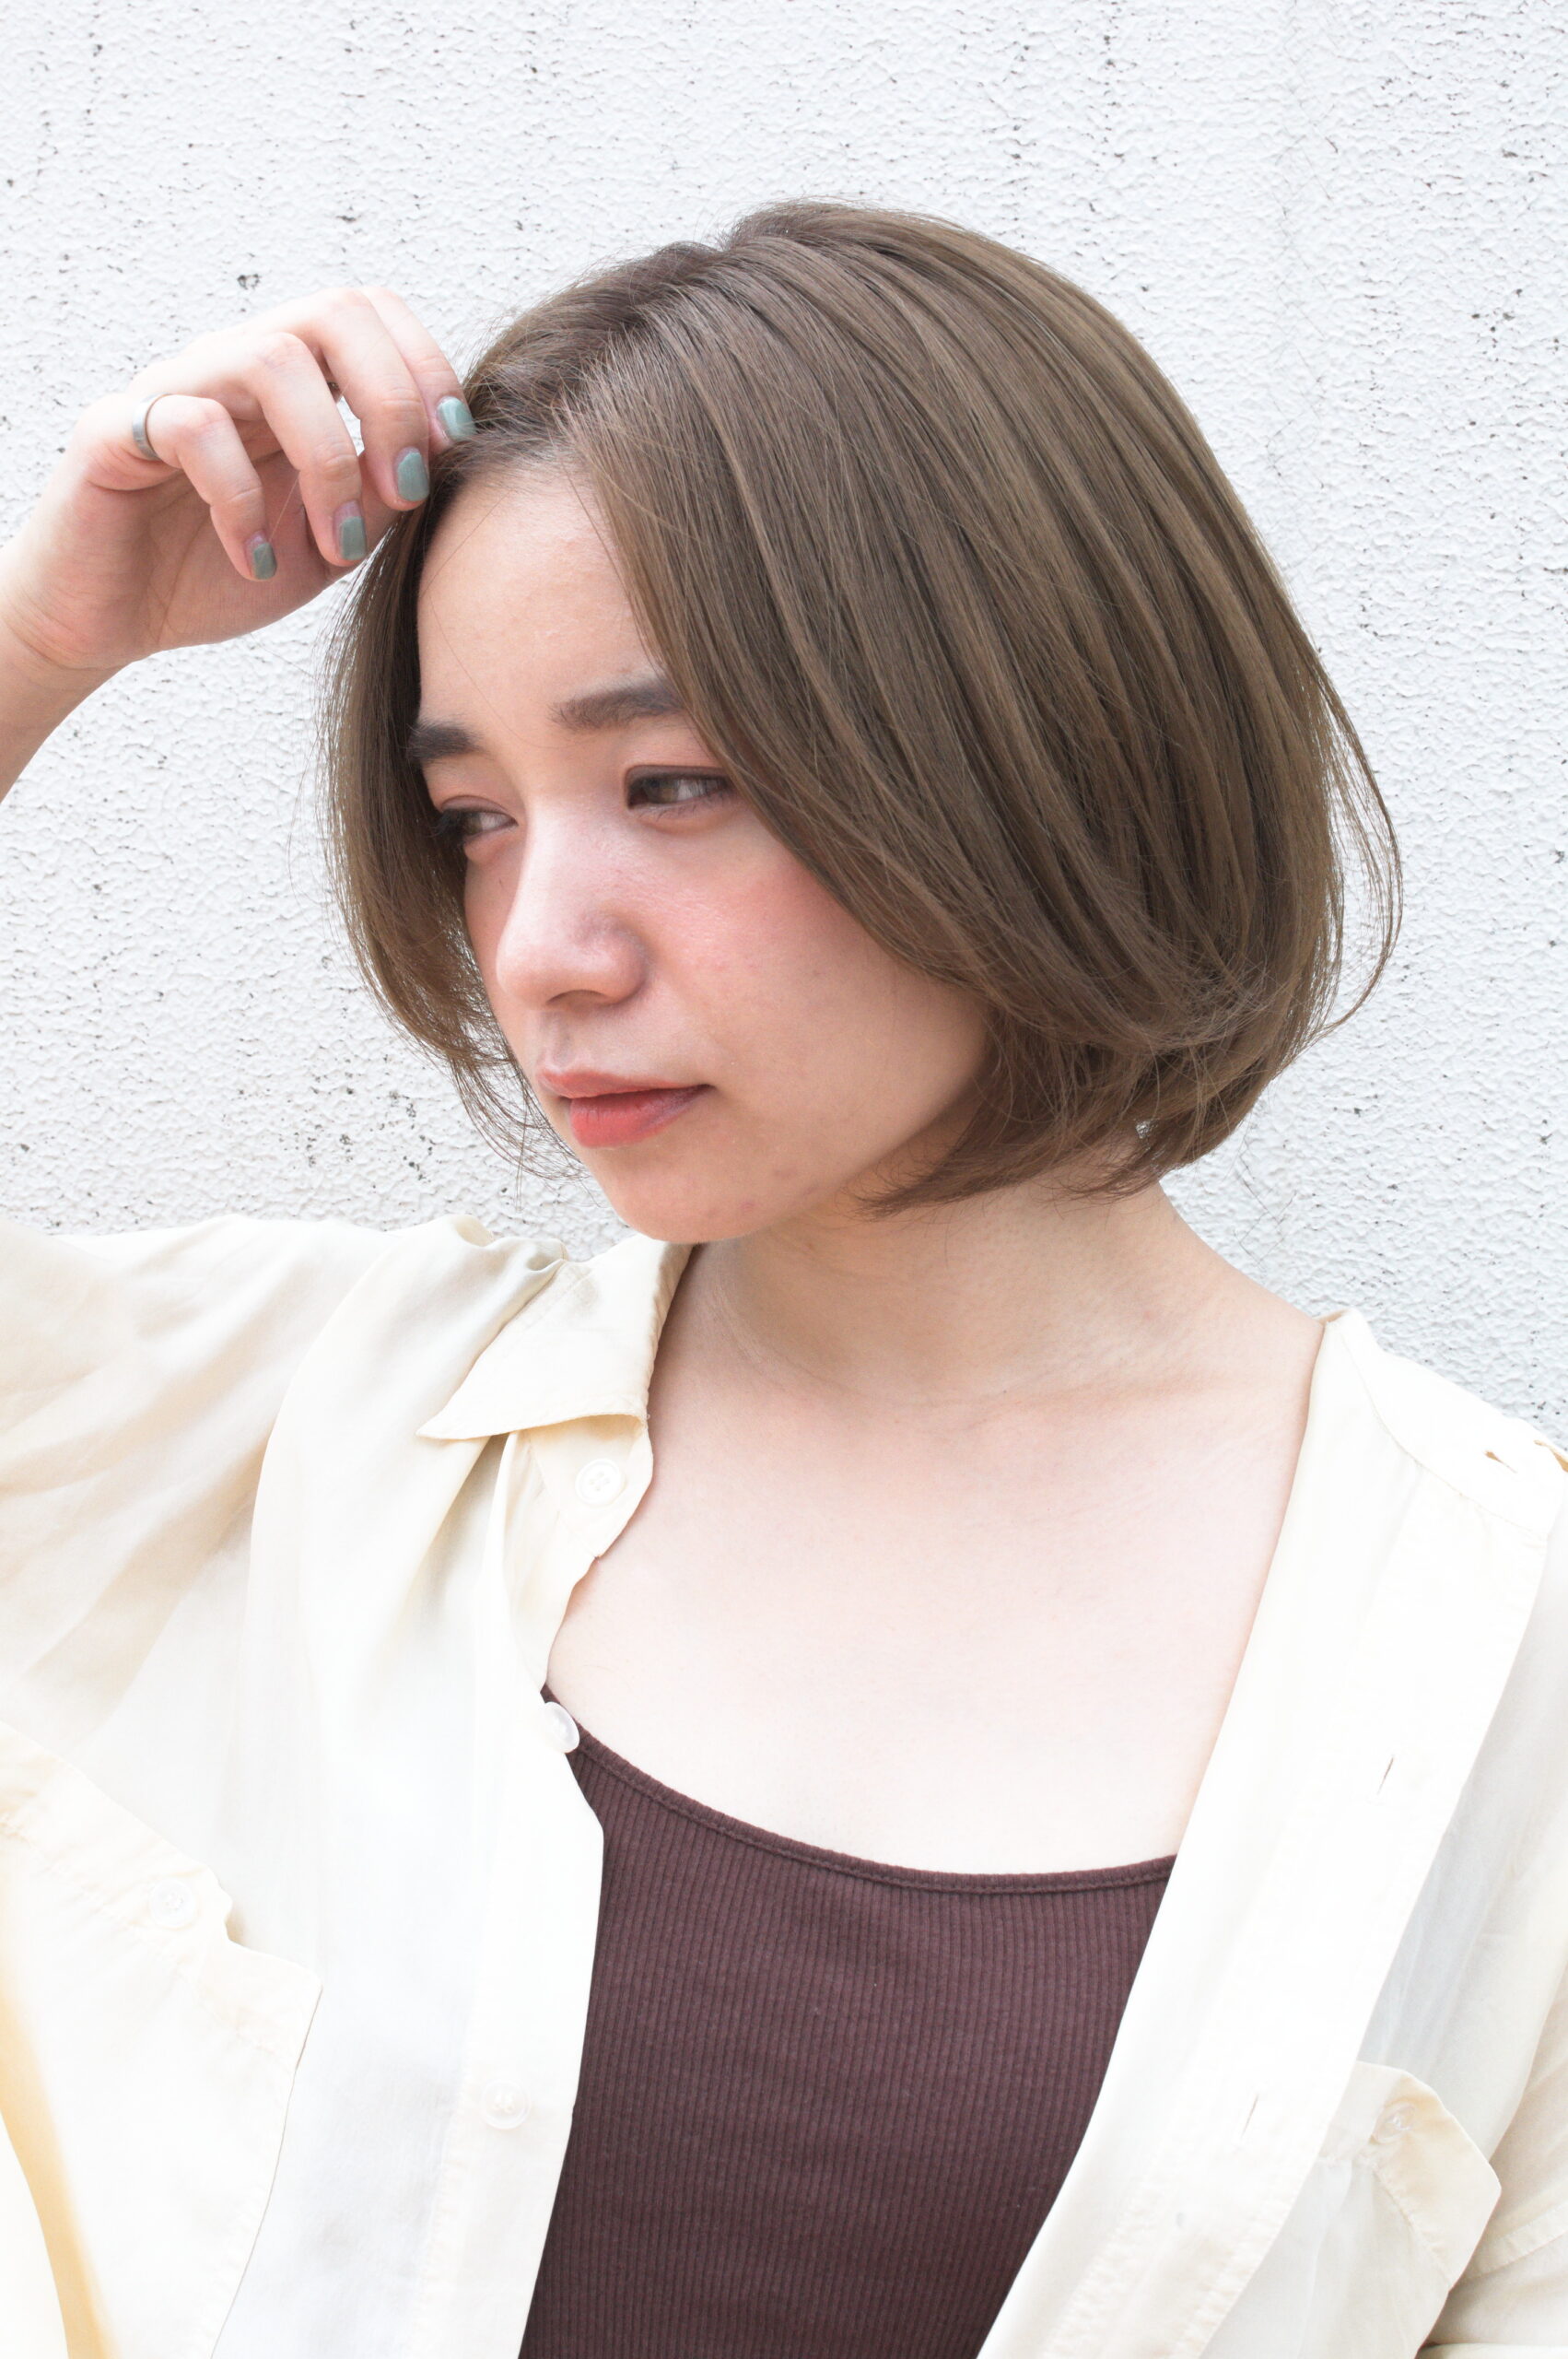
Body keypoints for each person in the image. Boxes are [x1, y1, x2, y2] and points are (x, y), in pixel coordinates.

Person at [0, 202, 1562, 2359]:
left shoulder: (1495, 1647)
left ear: (1035, 747)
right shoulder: (303, 1420)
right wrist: (36, 643)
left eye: (671, 784)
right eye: (476, 816)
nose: (542, 948)